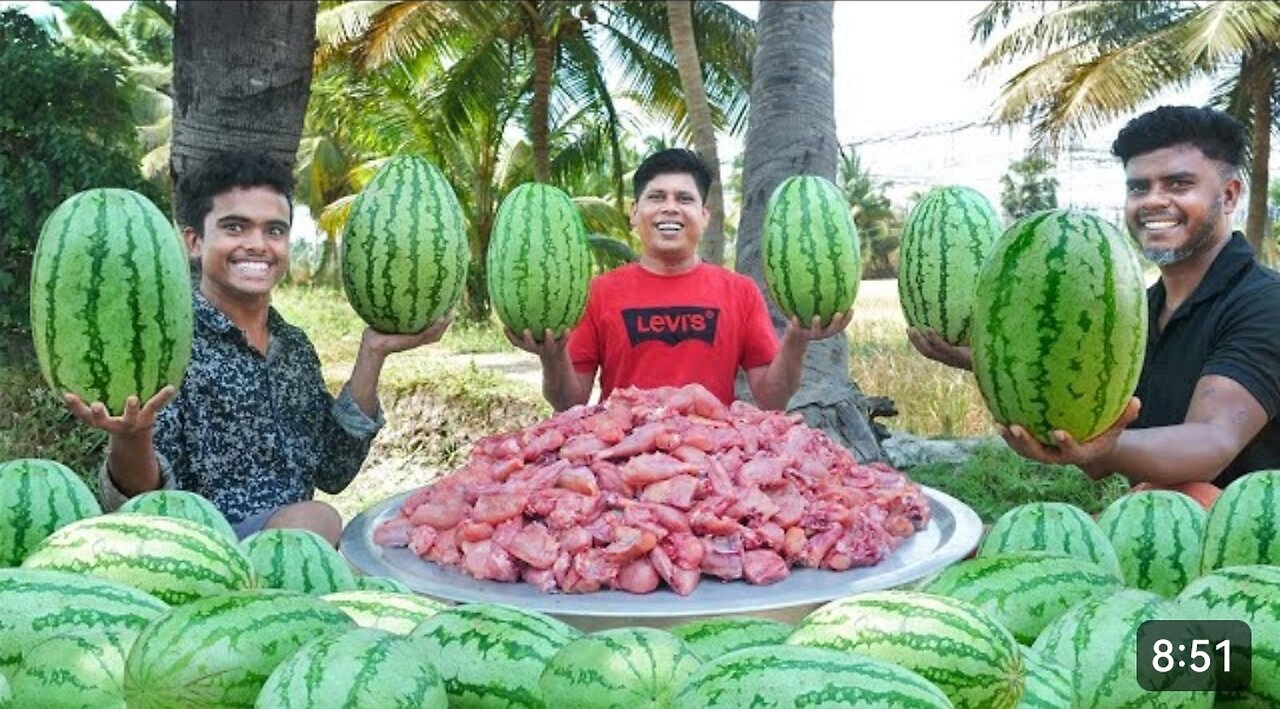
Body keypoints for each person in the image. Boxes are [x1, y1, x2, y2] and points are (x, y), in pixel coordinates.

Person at [64, 150, 451, 545]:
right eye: (235, 228)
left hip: (294, 558)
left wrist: (373, 352)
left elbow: (334, 471)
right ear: (194, 242)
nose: (258, 245)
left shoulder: (294, 348)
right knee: (317, 518)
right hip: (205, 556)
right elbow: (145, 504)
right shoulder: (168, 346)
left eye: (275, 230)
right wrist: (131, 436)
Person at [910, 105, 1280, 499]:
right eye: (1138, 187)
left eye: (1177, 184)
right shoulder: (1136, 308)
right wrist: (987, 359)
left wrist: (1102, 445)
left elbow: (1211, 442)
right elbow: (1095, 432)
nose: (1152, 201)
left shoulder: (1266, 302)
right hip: (1155, 521)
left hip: (1248, 544)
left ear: (1228, 195)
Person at [507, 148, 850, 413]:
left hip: (714, 463)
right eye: (656, 197)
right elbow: (570, 404)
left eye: (684, 199)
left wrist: (797, 339)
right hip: (622, 461)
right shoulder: (597, 293)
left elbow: (772, 400)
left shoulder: (739, 291)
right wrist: (550, 357)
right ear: (634, 213)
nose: (670, 208)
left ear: (704, 216)